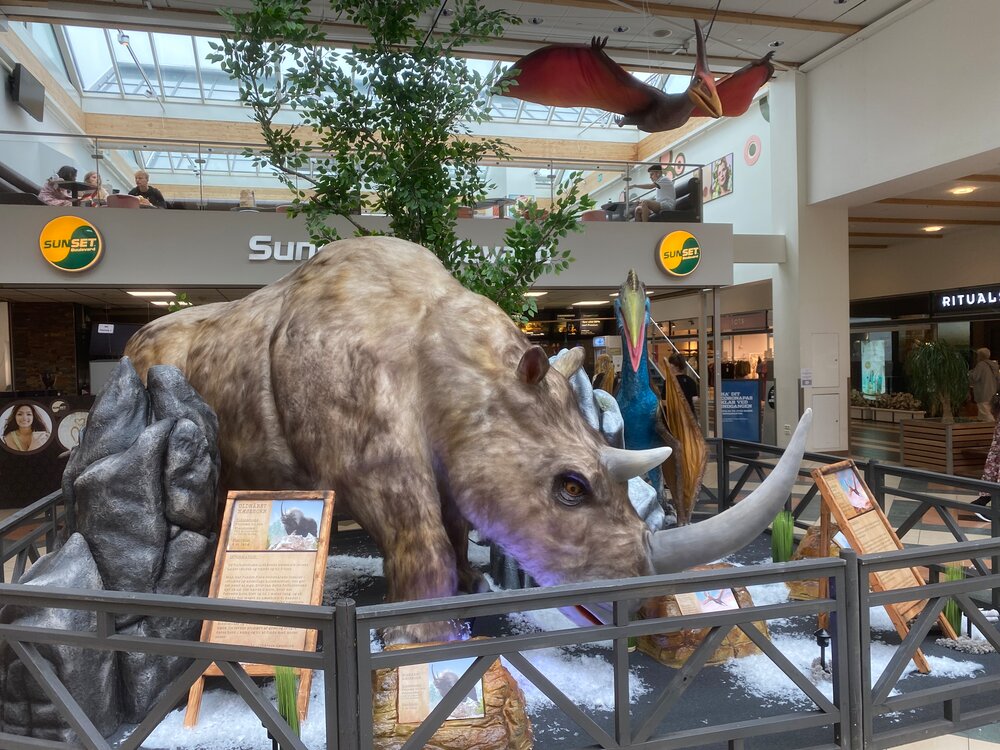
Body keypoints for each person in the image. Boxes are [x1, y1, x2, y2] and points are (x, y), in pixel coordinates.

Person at [969, 347, 998, 422]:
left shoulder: (981, 365)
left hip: (983, 393)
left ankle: (993, 428)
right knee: (986, 414)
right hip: (992, 393)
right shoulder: (994, 365)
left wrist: (970, 373)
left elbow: (975, 377)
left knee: (986, 414)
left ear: (980, 356)